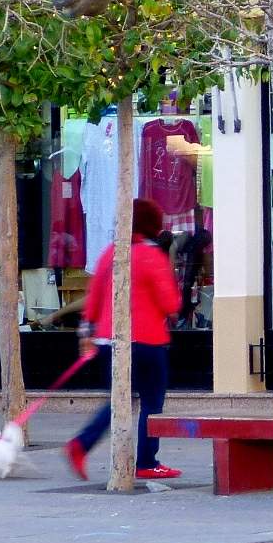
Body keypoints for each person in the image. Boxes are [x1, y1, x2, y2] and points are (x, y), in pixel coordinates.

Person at [65, 198, 181, 482]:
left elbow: (93, 301)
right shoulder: (153, 257)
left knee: (119, 400)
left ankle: (82, 443)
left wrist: (88, 332)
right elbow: (170, 303)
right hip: (148, 342)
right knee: (152, 402)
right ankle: (146, 462)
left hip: (109, 341)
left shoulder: (110, 254)